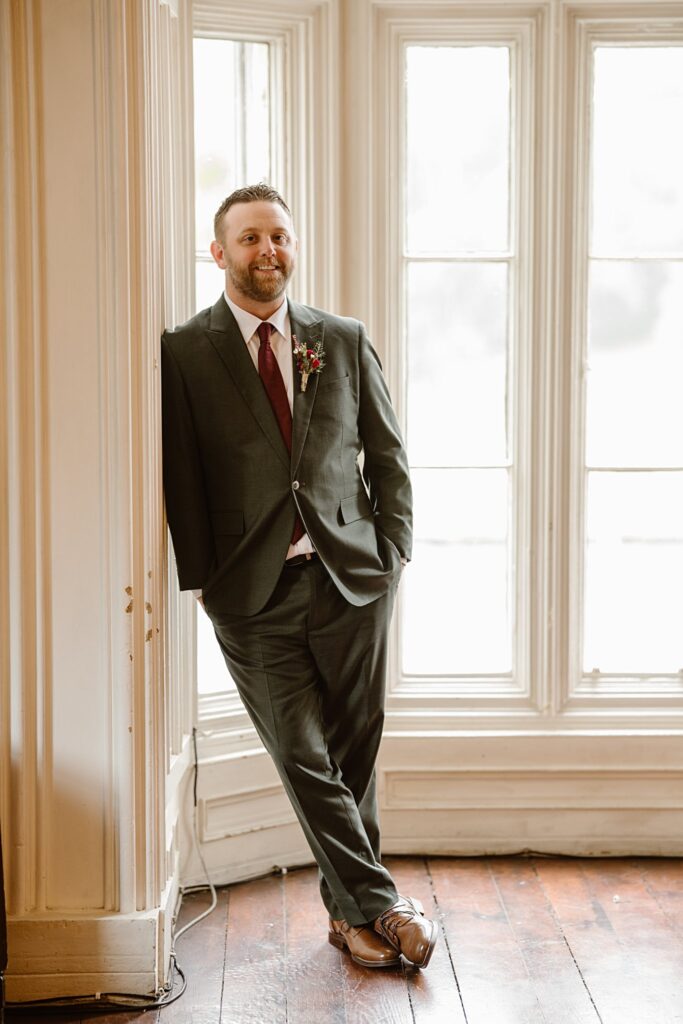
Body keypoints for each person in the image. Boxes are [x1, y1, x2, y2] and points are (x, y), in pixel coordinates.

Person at [161, 183, 437, 969]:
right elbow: (183, 478)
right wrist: (204, 581)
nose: (267, 251)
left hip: (353, 580)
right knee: (302, 754)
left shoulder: (339, 338)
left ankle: (350, 922)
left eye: (277, 236)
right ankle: (384, 905)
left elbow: (385, 454)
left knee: (354, 753)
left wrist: (394, 553)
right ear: (219, 253)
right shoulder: (183, 353)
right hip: (251, 595)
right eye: (248, 239)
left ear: (293, 244)